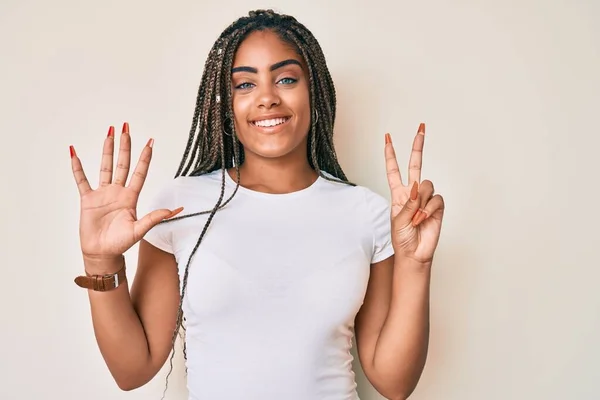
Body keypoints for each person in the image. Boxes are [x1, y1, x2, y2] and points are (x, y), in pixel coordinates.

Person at [69, 9, 445, 400]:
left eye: (285, 79)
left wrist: (416, 265)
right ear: (225, 106)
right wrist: (101, 262)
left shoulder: (365, 213)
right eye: (245, 85)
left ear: (313, 91)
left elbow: (394, 383)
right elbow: (132, 370)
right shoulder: (181, 207)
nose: (267, 98)